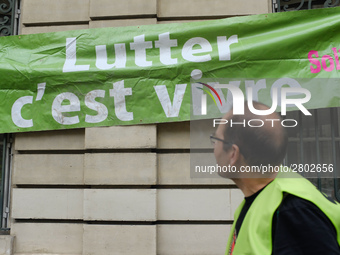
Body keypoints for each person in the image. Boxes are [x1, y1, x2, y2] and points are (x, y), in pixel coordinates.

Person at [212, 101, 340, 255]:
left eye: (216, 140)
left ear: (233, 154)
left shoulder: (294, 211)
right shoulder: (266, 199)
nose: (214, 148)